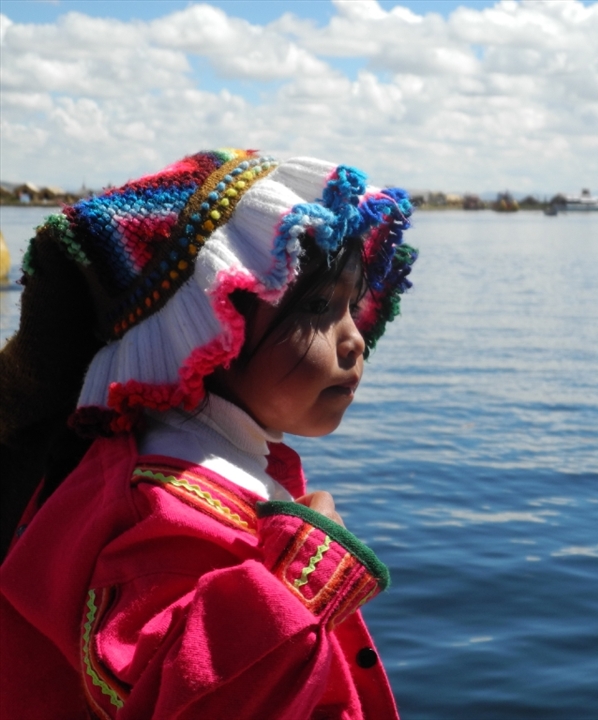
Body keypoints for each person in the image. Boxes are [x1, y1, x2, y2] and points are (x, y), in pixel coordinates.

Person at [0, 149, 417, 718]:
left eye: (351, 305)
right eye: (320, 306)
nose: (355, 340)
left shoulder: (181, 465)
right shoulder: (162, 513)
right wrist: (304, 575)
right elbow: (176, 699)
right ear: (211, 329)